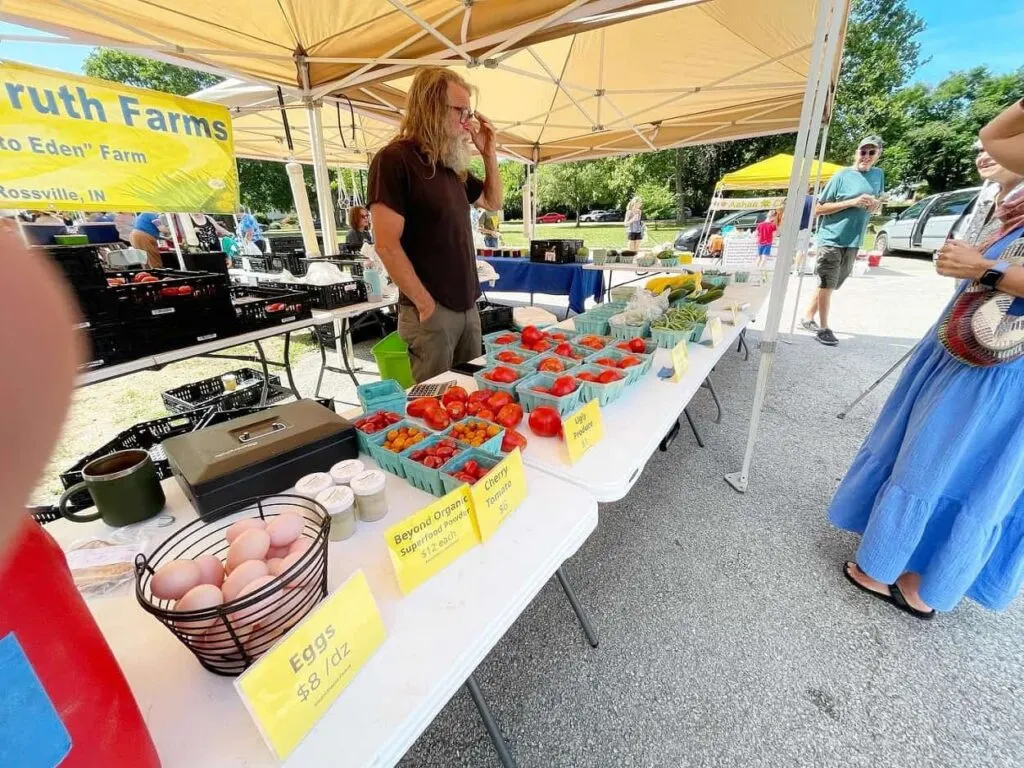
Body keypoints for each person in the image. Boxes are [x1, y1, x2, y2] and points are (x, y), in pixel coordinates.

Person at [830, 131, 1024, 619]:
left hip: (998, 366)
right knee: (957, 461)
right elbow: (995, 136)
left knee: (942, 455)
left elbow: (997, 137)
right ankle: (916, 572)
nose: (990, 151)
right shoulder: (1011, 203)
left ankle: (900, 574)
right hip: (976, 352)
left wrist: (986, 268)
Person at [368, 67, 502, 383]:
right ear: (429, 106)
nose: (466, 120)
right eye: (459, 110)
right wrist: (425, 304)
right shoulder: (394, 160)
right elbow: (386, 243)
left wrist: (489, 154)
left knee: (469, 396)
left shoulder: (451, 165)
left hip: (467, 306)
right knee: (434, 407)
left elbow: (492, 202)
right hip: (432, 313)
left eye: (468, 112)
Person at [801, 136, 885, 346]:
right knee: (827, 282)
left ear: (878, 154)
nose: (866, 156)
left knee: (830, 284)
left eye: (871, 152)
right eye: (863, 151)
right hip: (831, 237)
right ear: (856, 152)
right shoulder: (841, 176)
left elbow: (879, 203)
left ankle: (807, 317)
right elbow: (818, 208)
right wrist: (853, 202)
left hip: (854, 239)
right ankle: (824, 328)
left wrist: (875, 206)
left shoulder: (878, 175)